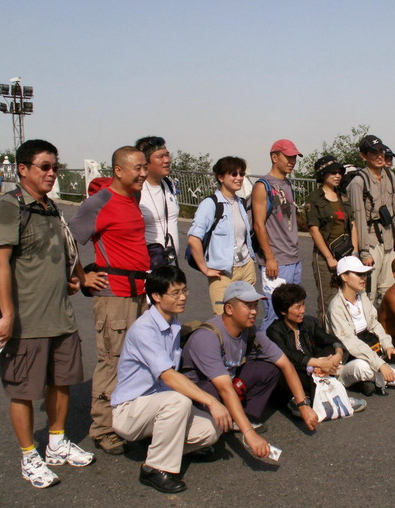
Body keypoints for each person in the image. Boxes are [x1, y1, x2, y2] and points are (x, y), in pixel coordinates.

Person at [0, 139, 94, 488]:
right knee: (23, 390)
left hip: (60, 316)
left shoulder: (50, 208)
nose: (51, 173)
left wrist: (71, 279)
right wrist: (7, 315)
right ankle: (29, 455)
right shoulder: (9, 208)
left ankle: (57, 442)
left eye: (55, 167)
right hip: (26, 320)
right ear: (23, 169)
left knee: (62, 380)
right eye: (44, 167)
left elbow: (55, 253)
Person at [112, 266, 231, 493]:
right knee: (179, 400)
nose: (183, 297)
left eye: (184, 290)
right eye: (175, 293)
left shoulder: (173, 324)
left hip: (158, 405)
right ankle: (155, 468)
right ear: (156, 296)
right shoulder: (144, 329)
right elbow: (168, 375)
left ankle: (159, 444)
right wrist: (211, 401)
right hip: (130, 411)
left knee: (212, 429)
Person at [69, 146, 150, 455]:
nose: (143, 173)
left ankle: (130, 419)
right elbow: (67, 239)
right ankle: (103, 428)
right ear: (118, 170)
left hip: (138, 292)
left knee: (138, 359)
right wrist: (83, 276)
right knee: (112, 361)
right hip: (113, 295)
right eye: (137, 168)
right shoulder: (99, 202)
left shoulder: (133, 197)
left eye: (144, 167)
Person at [181, 281, 318, 459]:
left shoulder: (251, 331)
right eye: (248, 306)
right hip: (202, 393)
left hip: (227, 382)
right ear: (229, 309)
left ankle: (239, 418)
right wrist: (250, 434)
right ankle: (208, 429)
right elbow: (224, 388)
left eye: (255, 305)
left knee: (269, 369)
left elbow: (285, 363)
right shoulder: (207, 337)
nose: (254, 311)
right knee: (212, 390)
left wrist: (303, 405)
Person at [326, 256, 395, 396]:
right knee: (362, 367)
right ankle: (392, 381)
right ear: (344, 277)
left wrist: (388, 346)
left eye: (364, 274)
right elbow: (351, 343)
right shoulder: (336, 307)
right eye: (358, 274)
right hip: (350, 359)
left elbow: (375, 324)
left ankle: (373, 380)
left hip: (373, 351)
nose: (363, 278)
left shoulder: (362, 295)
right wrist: (380, 364)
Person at [266, 283, 367, 413]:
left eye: (303, 304)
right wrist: (317, 363)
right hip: (295, 375)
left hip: (316, 371)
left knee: (331, 349)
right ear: (283, 311)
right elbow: (287, 354)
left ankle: (324, 396)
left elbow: (329, 339)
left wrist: (338, 354)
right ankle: (325, 399)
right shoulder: (274, 331)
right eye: (298, 307)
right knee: (288, 369)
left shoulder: (308, 323)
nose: (303, 310)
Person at [188, 156, 256, 314]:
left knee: (246, 315)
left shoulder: (240, 202)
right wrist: (205, 269)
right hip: (223, 273)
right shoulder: (210, 204)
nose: (239, 178)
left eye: (241, 173)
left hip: (246, 267)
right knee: (223, 317)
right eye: (233, 173)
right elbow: (193, 238)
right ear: (220, 177)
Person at [347, 135, 395, 306]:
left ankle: (383, 322)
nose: (379, 156)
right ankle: (367, 323)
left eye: (381, 151)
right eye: (374, 153)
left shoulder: (390, 175)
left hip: (389, 239)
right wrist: (364, 252)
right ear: (364, 156)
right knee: (369, 291)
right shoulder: (359, 182)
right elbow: (359, 219)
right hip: (371, 240)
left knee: (388, 290)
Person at [251, 139, 302, 330]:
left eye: (294, 157)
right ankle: (266, 347)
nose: (292, 161)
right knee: (274, 314)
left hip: (293, 258)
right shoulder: (263, 186)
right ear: (274, 157)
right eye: (288, 157)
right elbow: (258, 224)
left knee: (293, 311)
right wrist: (270, 258)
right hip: (276, 260)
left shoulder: (287, 183)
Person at [304, 155, 358, 323]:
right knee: (328, 301)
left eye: (339, 172)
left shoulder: (343, 197)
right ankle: (325, 336)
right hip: (325, 257)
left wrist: (354, 253)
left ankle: (344, 335)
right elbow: (314, 230)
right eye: (332, 172)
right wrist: (328, 257)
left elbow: (353, 225)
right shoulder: (314, 199)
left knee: (348, 298)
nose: (337, 176)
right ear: (322, 174)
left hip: (346, 254)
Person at [135, 136, 181, 268]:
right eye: (160, 156)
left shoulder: (168, 185)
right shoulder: (136, 191)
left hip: (170, 266)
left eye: (167, 155)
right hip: (147, 269)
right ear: (145, 162)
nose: (167, 160)